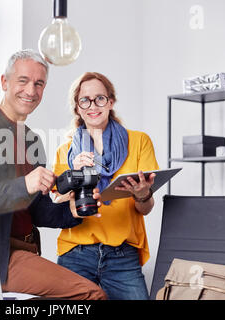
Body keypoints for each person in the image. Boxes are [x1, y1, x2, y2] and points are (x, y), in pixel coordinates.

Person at [0, 50, 107, 300]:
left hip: (28, 251)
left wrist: (71, 212)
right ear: (4, 82)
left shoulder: (32, 141)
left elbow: (38, 211)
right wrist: (23, 185)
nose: (31, 90)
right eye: (23, 80)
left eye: (39, 83)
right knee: (91, 295)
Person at [52, 72, 159, 300]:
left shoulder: (139, 142)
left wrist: (141, 195)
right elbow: (56, 204)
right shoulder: (65, 152)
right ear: (77, 108)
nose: (93, 105)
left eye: (100, 98)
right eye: (85, 100)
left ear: (110, 102)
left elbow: (146, 208)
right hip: (75, 252)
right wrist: (75, 177)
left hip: (123, 255)